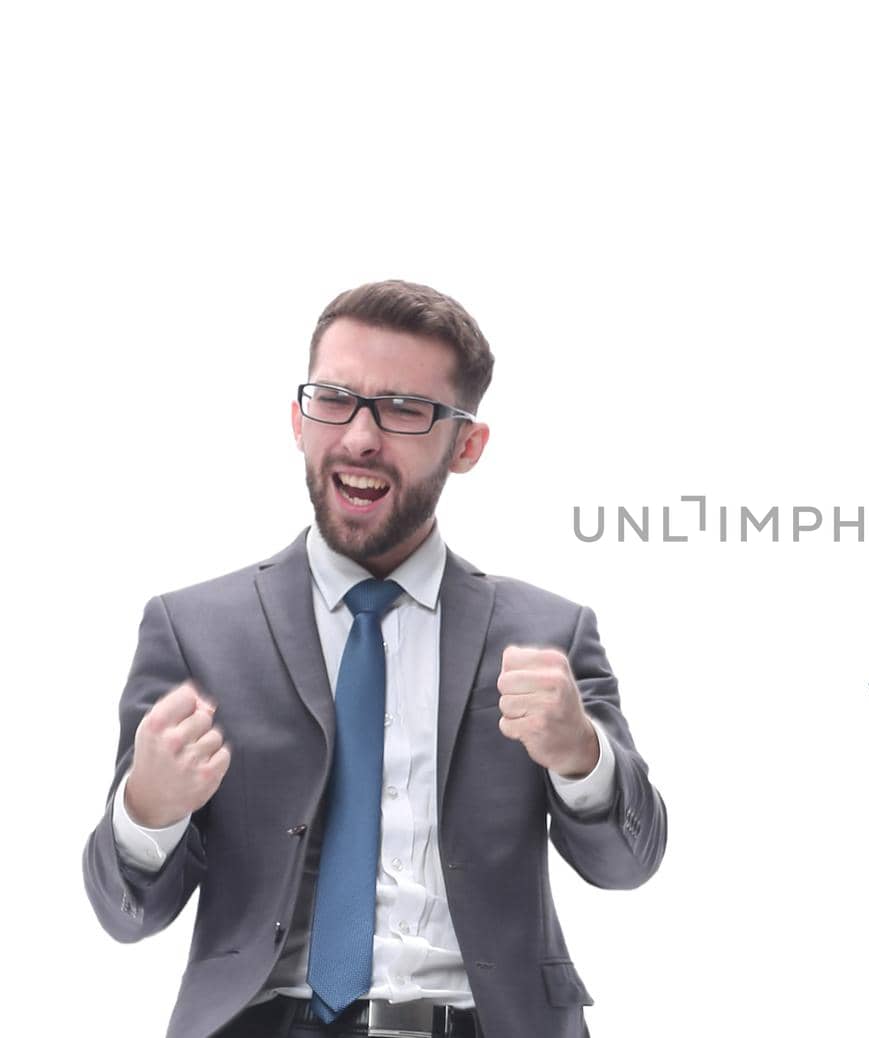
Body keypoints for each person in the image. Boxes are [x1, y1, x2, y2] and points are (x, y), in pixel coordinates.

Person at [84, 280, 667, 1038]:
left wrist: (582, 756)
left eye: (402, 409)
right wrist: (149, 808)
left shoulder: (548, 633)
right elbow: (124, 914)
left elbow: (627, 864)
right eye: (334, 398)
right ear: (298, 420)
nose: (360, 436)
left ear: (466, 445)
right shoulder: (193, 630)